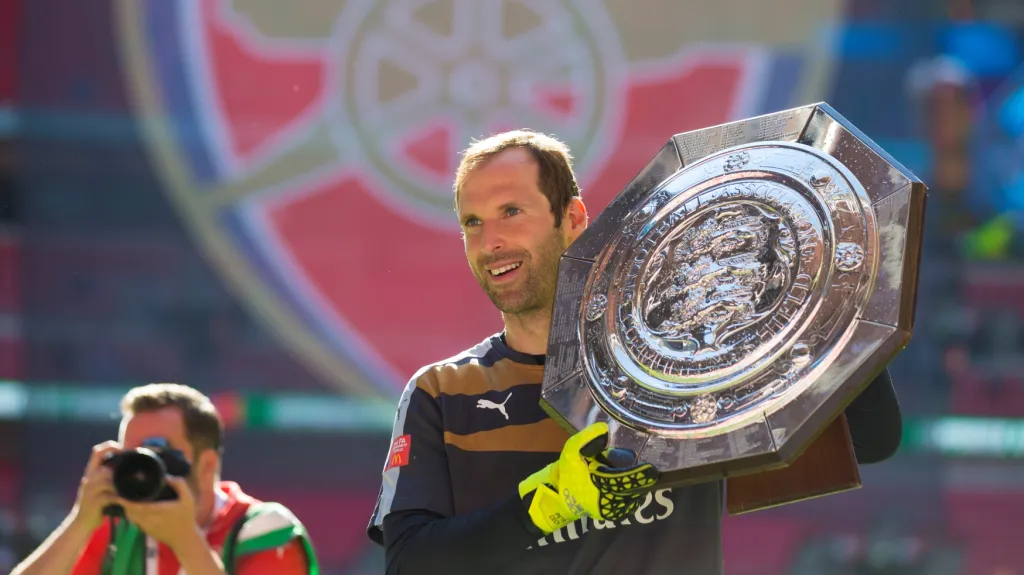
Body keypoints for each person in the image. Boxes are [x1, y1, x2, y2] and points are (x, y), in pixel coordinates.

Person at [366, 130, 904, 574]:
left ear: (573, 219)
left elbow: (871, 439)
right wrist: (546, 504)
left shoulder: (687, 367)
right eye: (472, 223)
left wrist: (826, 295)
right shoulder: (442, 392)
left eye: (512, 211)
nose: (490, 241)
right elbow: (411, 561)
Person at [12, 383, 318, 575]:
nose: (142, 471)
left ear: (206, 465)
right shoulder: (116, 528)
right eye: (131, 457)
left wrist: (186, 540)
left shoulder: (264, 530)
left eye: (158, 455)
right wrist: (81, 521)